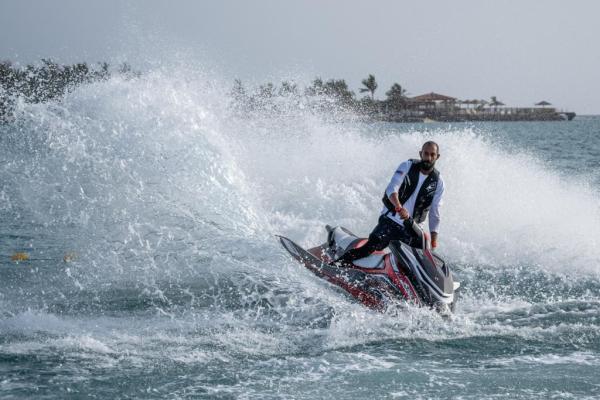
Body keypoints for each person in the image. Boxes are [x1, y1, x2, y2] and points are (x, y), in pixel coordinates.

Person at [337, 141, 445, 264]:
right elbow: (392, 189)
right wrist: (399, 208)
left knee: (422, 262)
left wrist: (434, 242)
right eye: (426, 153)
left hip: (412, 229)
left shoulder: (439, 182)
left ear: (438, 156)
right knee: (369, 248)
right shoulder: (407, 166)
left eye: (432, 154)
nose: (429, 158)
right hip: (391, 221)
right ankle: (336, 265)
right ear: (421, 153)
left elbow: (435, 213)